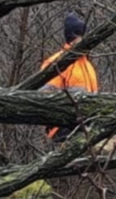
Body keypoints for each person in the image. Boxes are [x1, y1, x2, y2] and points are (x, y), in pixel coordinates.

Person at [40, 12, 99, 142]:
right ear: (73, 37)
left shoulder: (88, 65)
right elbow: (44, 97)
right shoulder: (57, 62)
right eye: (80, 36)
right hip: (64, 128)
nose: (84, 40)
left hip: (86, 125)